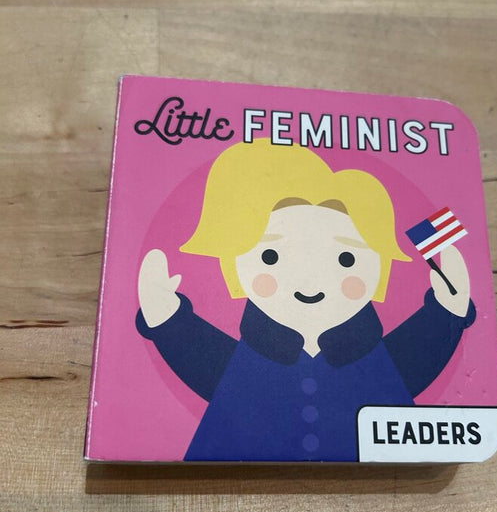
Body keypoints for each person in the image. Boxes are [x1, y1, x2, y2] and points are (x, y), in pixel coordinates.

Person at [136, 140, 475, 461]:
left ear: (378, 266)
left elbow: (414, 362)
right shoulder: (248, 358)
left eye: (346, 259)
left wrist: (445, 312)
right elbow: (204, 362)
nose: (310, 279)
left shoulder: (376, 358)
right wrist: (169, 321)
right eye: (270, 256)